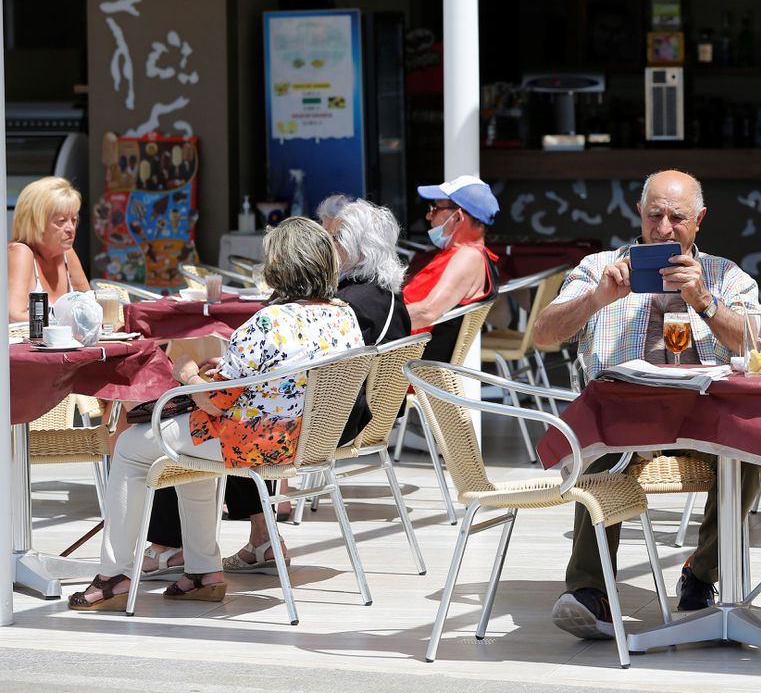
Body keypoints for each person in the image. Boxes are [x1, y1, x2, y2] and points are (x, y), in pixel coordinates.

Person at [69, 217, 364, 610]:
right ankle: (202, 571)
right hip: (310, 440)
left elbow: (214, 402)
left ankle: (114, 575)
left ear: (279, 267)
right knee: (194, 447)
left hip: (254, 442)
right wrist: (222, 372)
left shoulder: (267, 321)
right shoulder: (344, 316)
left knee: (129, 446)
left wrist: (188, 373)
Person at [531, 169, 761, 640]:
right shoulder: (601, 268)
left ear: (699, 220)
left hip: (705, 415)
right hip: (627, 414)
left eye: (677, 217)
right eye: (654, 215)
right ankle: (589, 591)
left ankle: (701, 574)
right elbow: (543, 333)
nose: (663, 229)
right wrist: (597, 299)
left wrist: (705, 302)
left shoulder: (725, 275)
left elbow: (759, 346)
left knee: (753, 449)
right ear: (639, 213)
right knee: (600, 442)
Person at [140, 198, 413, 577]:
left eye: (331, 239)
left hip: (310, 430)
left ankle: (167, 550)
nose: (324, 247)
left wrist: (188, 375)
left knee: (195, 422)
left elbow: (242, 393)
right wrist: (250, 371)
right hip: (334, 422)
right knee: (249, 406)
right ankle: (256, 540)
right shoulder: (369, 301)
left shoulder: (344, 305)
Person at [404, 174, 501, 360]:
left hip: (401, 365)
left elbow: (427, 312)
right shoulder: (459, 255)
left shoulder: (469, 256)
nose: (428, 215)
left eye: (434, 208)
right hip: (397, 356)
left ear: (457, 217)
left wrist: (371, 321)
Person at [8, 176, 90, 321]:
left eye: (74, 220)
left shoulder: (67, 254)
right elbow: (12, 316)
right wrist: (65, 324)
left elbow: (91, 306)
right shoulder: (20, 253)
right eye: (61, 221)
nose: (71, 229)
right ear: (35, 224)